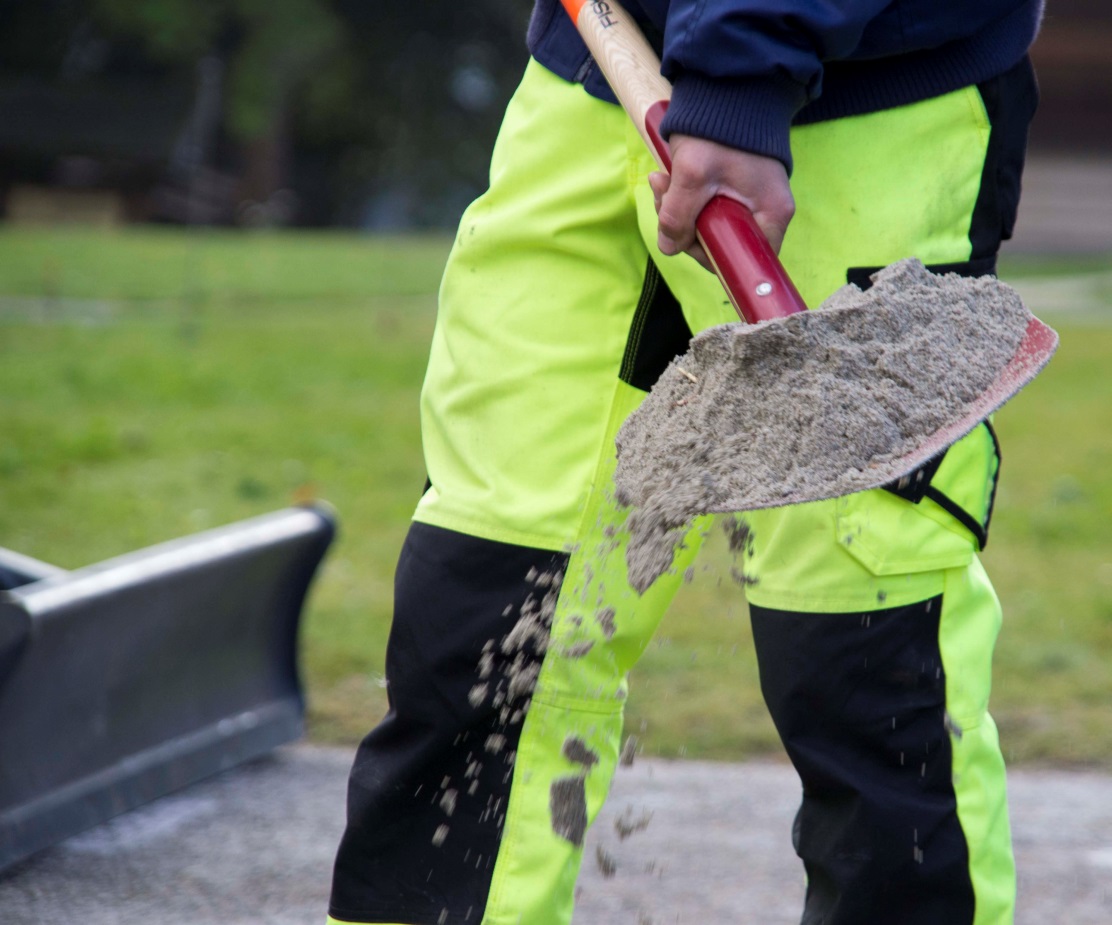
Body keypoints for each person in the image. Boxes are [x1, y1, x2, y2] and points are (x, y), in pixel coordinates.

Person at [326, 0, 1042, 922]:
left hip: (846, 111)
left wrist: (742, 70)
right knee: (487, 622)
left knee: (863, 669)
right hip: (589, 82)